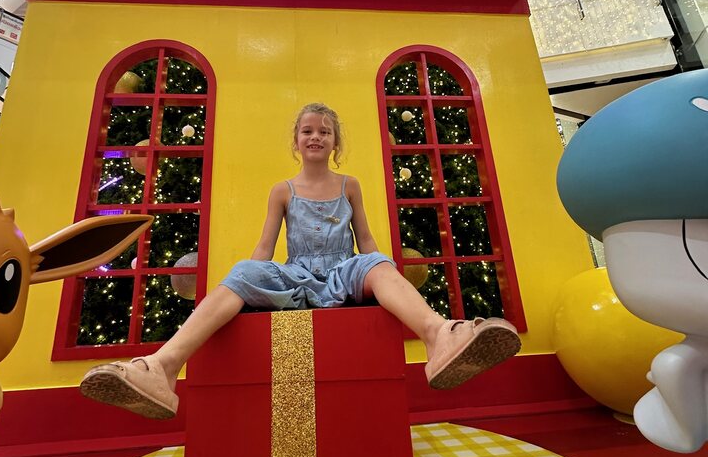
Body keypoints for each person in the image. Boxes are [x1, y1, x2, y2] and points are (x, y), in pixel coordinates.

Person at [80, 103, 521, 419]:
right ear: (296, 141)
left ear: (335, 143)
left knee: (380, 263)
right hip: (296, 274)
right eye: (308, 130)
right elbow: (264, 249)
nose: (316, 136)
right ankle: (163, 366)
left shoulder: (349, 185)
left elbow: (364, 240)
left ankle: (439, 336)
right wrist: (248, 284)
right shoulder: (282, 190)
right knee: (243, 271)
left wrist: (379, 269)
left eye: (324, 131)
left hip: (342, 270)